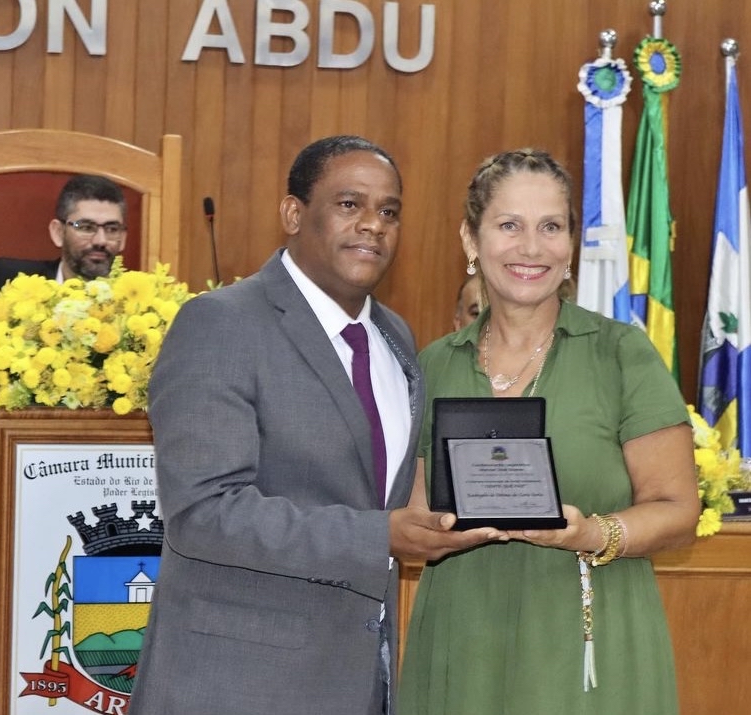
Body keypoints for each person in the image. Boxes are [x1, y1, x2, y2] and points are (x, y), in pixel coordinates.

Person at [128, 135, 502, 715]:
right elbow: (203, 513)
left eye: (389, 211)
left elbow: (388, 491)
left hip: (356, 679)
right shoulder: (221, 324)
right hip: (236, 685)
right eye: (350, 204)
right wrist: (381, 536)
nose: (374, 225)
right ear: (294, 213)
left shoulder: (395, 340)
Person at [399, 149, 700, 715]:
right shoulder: (433, 364)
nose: (531, 248)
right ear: (471, 240)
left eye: (551, 227)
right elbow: (416, 512)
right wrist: (428, 530)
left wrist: (590, 534)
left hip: (590, 647)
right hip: (461, 644)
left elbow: (678, 509)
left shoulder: (621, 354)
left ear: (571, 245)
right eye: (509, 225)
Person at [0, 174, 127, 310]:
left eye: (112, 229)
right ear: (58, 232)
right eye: (86, 227)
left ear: (123, 238)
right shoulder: (5, 281)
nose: (101, 240)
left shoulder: (140, 304)